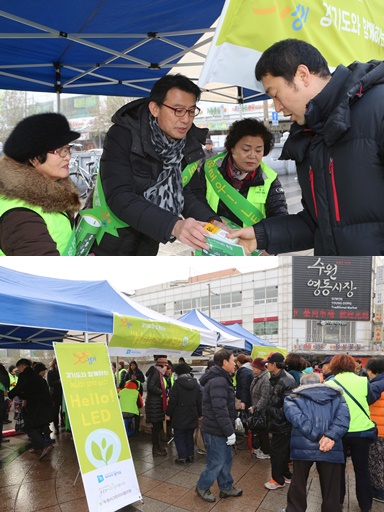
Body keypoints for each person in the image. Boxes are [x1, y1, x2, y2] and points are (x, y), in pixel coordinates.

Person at [227, 38, 384, 255]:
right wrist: (260, 235)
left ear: (302, 75)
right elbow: (317, 223)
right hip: (336, 278)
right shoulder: (308, 136)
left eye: (275, 95)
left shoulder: (378, 107)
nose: (278, 108)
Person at [90, 73, 221, 256]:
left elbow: (189, 193)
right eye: (178, 110)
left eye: (191, 111)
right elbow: (119, 196)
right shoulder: (123, 134)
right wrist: (173, 225)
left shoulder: (188, 142)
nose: (185, 119)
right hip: (106, 240)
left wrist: (213, 222)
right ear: (155, 108)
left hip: (147, 241)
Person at [0, 113, 81, 255]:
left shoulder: (53, 194)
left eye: (68, 149)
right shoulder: (21, 215)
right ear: (34, 158)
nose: (68, 157)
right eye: (60, 151)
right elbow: (41, 273)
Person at [198, 118, 288, 230]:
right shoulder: (209, 169)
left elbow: (279, 217)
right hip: (214, 240)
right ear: (232, 147)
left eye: (258, 150)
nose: (252, 155)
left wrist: (266, 239)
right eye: (246, 149)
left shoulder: (269, 178)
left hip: (253, 245)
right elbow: (197, 203)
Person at [282, 372, 350, 512]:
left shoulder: (292, 398)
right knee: (331, 488)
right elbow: (343, 420)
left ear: (301, 384)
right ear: (321, 382)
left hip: (302, 447)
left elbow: (299, 421)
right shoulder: (338, 397)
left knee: (298, 483)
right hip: (331, 447)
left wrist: (319, 437)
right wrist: (330, 437)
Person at [328, 354, 375, 512]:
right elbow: (370, 398)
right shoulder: (363, 381)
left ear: (333, 366)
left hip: (339, 432)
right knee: (362, 469)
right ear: (352, 365)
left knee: (338, 468)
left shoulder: (330, 383)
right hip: (361, 431)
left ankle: (338, 501)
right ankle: (365, 505)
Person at [196, 349, 242, 502]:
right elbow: (219, 409)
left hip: (220, 427)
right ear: (224, 362)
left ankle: (226, 487)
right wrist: (229, 432)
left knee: (226, 459)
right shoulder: (219, 381)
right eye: (232, 360)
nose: (235, 364)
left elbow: (225, 406)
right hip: (216, 430)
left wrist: (233, 419)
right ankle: (202, 486)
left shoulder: (223, 378)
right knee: (216, 462)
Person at [7, 359, 53, 459]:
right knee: (38, 426)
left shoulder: (25, 375)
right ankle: (37, 447)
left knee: (29, 427)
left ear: (22, 366)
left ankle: (44, 445)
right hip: (44, 405)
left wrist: (9, 394)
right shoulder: (35, 375)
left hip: (35, 405)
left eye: (18, 368)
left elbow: (19, 388)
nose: (18, 370)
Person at [263, 352, 296, 490]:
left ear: (274, 364)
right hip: (278, 423)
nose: (266, 365)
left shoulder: (287, 380)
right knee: (281, 451)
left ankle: (277, 480)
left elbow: (288, 407)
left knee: (276, 452)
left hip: (282, 424)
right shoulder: (276, 377)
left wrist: (270, 410)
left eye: (268, 363)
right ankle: (286, 475)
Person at [166, 362, 202, 465]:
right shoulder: (196, 384)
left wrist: (168, 413)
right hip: (192, 413)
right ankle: (190, 455)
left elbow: (172, 401)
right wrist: (200, 414)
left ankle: (182, 457)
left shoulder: (177, 385)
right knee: (189, 435)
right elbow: (199, 400)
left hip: (179, 414)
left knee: (179, 435)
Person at [366, 356, 384, 503]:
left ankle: (378, 492)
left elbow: (368, 401)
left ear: (372, 371)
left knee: (375, 462)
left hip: (379, 430)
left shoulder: (375, 385)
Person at [145, 357, 169, 456]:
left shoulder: (157, 373)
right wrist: (161, 392)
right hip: (154, 405)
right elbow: (150, 386)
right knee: (156, 427)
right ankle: (155, 449)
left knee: (157, 426)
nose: (167, 369)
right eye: (166, 367)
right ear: (163, 366)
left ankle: (158, 447)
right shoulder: (155, 373)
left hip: (156, 405)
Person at [249, 357, 271, 459]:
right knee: (260, 431)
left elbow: (265, 397)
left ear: (258, 368)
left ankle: (266, 451)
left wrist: (256, 408)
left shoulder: (265, 378)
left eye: (254, 367)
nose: (252, 369)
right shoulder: (258, 376)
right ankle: (262, 448)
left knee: (263, 431)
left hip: (262, 410)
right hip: (257, 408)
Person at [47, 358, 64, 434]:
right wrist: (58, 381)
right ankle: (56, 427)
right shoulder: (50, 372)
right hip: (55, 394)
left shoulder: (62, 372)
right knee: (55, 411)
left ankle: (63, 423)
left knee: (63, 411)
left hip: (63, 394)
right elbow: (50, 383)